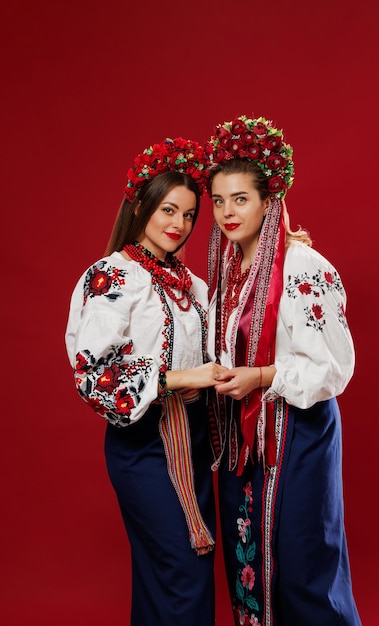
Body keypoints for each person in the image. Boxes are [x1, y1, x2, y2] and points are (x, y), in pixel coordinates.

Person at [205, 116, 362, 625]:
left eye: (241, 199)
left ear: (269, 201)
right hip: (241, 439)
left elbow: (332, 369)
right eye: (220, 200)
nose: (228, 212)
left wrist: (261, 377)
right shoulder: (229, 272)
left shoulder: (302, 266)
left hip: (296, 434)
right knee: (252, 564)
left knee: (300, 564)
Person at [65, 137, 228, 625]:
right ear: (142, 207)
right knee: (180, 569)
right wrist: (183, 377)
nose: (179, 225)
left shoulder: (191, 284)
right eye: (168, 210)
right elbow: (91, 375)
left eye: (190, 215)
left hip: (192, 440)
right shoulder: (113, 277)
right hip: (144, 445)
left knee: (171, 574)